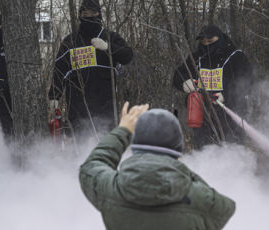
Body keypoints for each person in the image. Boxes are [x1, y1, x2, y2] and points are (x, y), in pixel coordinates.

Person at [79, 102, 236, 230]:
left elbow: (91, 166)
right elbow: (226, 208)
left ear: (135, 145)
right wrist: (178, 167)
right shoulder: (197, 198)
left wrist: (123, 130)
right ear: (177, 149)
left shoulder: (112, 189)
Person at [48, 0, 133, 137]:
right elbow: (59, 70)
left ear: (99, 14)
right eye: (85, 13)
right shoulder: (70, 42)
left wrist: (108, 48)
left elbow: (128, 56)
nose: (88, 16)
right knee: (79, 148)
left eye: (93, 13)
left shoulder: (110, 37)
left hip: (105, 108)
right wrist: (54, 96)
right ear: (80, 15)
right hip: (77, 109)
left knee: (105, 146)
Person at [173, 24, 253, 148]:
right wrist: (185, 83)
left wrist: (225, 95)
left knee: (232, 153)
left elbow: (246, 82)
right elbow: (178, 75)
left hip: (230, 119)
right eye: (204, 42)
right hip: (202, 118)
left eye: (210, 41)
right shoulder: (196, 58)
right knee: (204, 154)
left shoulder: (236, 57)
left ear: (219, 38)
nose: (206, 44)